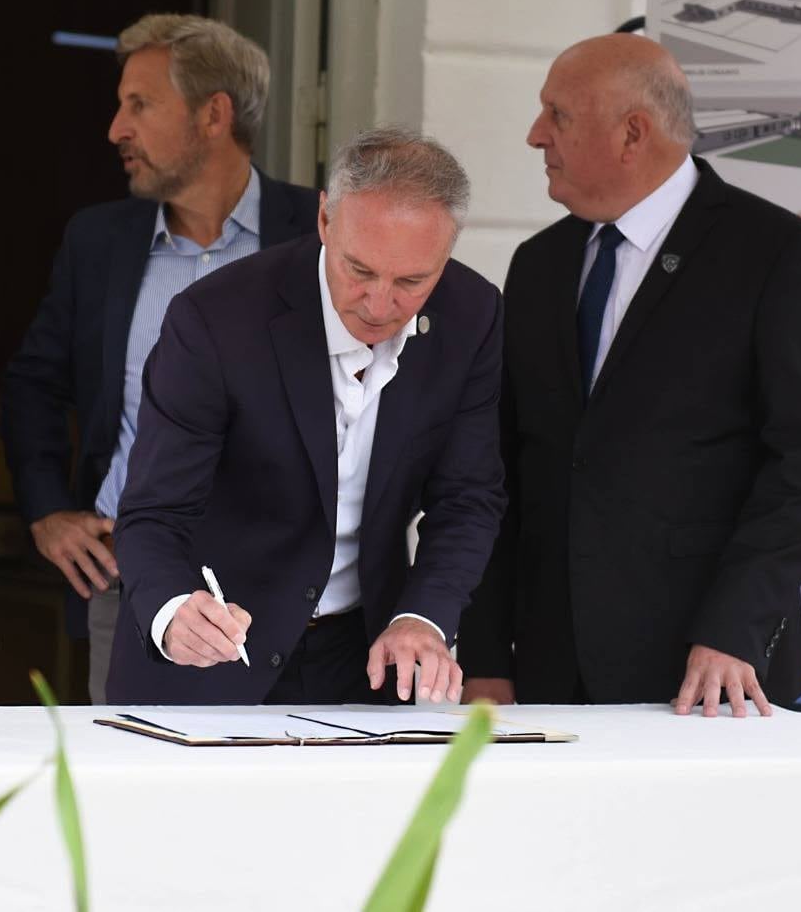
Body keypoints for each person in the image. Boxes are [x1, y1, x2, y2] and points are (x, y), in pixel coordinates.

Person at [459, 34, 801, 717]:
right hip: (548, 675)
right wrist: (486, 655)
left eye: (558, 116)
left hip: (707, 676)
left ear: (632, 133)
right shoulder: (538, 265)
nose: (534, 136)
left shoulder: (773, 254)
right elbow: (498, 472)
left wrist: (735, 630)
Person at [107, 128, 505, 706]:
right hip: (212, 660)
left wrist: (424, 617)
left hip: (366, 658)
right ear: (325, 220)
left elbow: (468, 497)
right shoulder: (215, 318)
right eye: (360, 270)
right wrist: (172, 611)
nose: (379, 303)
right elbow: (152, 510)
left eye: (412, 282)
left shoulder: (472, 314)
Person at [0, 13, 318, 703]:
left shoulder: (320, 231)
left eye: (138, 105)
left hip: (287, 601)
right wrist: (49, 510)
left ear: (213, 115)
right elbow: (34, 383)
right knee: (129, 801)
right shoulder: (98, 241)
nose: (116, 128)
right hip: (134, 592)